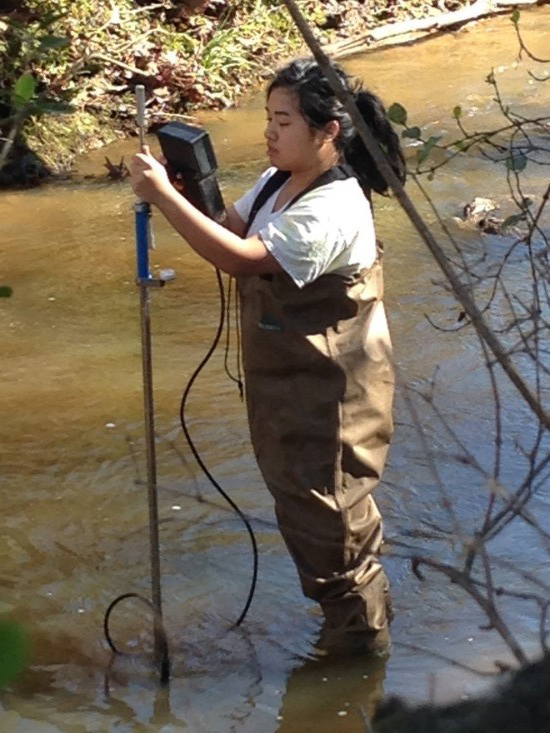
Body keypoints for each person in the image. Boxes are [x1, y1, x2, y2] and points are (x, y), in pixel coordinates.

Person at [130, 57, 406, 657]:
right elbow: (228, 228)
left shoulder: (333, 208)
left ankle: (360, 661)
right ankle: (350, 635)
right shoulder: (280, 180)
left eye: (283, 120)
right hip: (289, 388)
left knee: (332, 520)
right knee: (310, 512)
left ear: (327, 131)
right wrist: (184, 194)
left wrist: (160, 198)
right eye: (268, 118)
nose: (270, 132)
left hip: (332, 395)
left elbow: (241, 259)